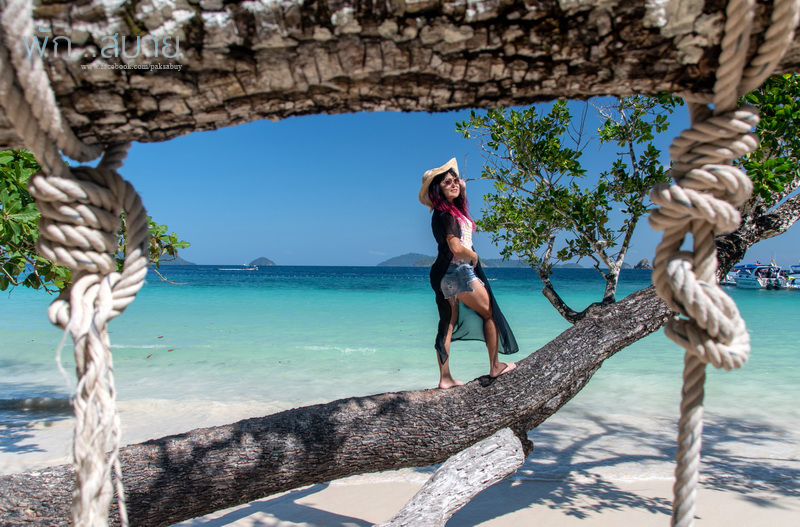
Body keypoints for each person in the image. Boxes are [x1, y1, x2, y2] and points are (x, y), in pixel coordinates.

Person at [419, 157, 519, 389]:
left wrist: (461, 188)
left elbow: (460, 207)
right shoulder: (447, 215)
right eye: (447, 182)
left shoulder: (445, 211)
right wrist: (473, 256)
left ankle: (445, 378)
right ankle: (495, 366)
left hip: (443, 274)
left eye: (455, 180)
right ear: (437, 189)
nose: (454, 184)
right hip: (459, 271)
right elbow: (456, 247)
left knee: (447, 323)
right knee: (490, 315)